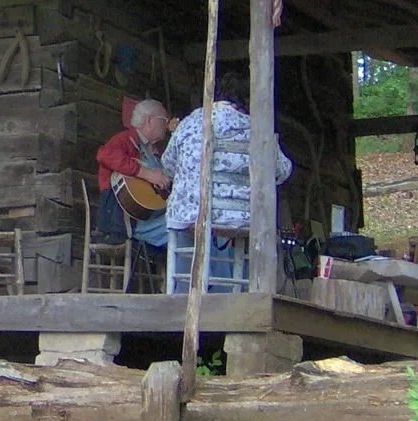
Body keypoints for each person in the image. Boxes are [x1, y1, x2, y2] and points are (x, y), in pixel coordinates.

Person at [160, 70, 293, 288]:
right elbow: (283, 170)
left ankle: (184, 294)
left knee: (189, 224)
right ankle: (229, 293)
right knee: (226, 233)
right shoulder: (258, 129)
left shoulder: (191, 122)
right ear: (246, 100)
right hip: (241, 217)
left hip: (192, 213)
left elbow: (167, 164)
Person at [95, 98, 173, 250]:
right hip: (128, 220)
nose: (166, 125)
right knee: (184, 227)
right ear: (149, 120)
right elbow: (105, 155)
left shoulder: (156, 150)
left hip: (151, 215)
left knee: (187, 224)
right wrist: (147, 174)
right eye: (164, 120)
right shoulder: (125, 139)